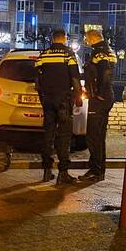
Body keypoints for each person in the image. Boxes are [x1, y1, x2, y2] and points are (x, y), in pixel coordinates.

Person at [35, 29, 82, 184]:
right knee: (64, 136)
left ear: (52, 39)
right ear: (65, 38)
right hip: (63, 100)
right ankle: (63, 173)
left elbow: (37, 79)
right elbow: (75, 77)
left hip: (47, 100)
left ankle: (46, 171)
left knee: (48, 134)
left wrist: (43, 95)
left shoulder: (44, 54)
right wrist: (78, 96)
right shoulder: (68, 54)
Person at [80, 29, 117, 181]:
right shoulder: (109, 51)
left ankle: (96, 170)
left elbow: (105, 73)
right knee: (100, 136)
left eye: (87, 38)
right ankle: (99, 169)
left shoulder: (99, 53)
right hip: (106, 97)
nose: (86, 41)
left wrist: (99, 93)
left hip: (100, 99)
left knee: (93, 136)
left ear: (93, 38)